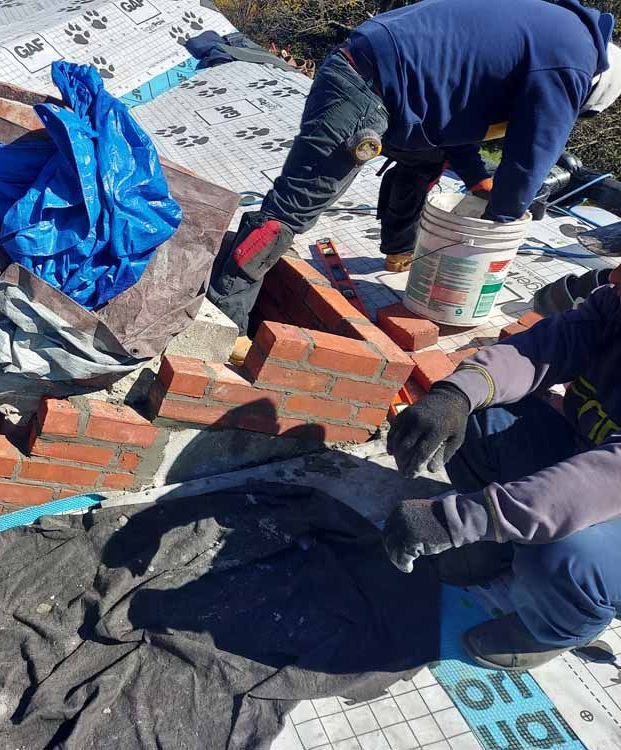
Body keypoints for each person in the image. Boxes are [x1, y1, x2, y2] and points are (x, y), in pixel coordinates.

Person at [208, 0, 621, 365]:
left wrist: (477, 179)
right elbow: (533, 153)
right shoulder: (571, 62)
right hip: (368, 87)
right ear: (591, 94)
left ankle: (399, 250)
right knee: (288, 214)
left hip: (386, 78)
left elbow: (458, 115)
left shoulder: (555, 28)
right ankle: (221, 324)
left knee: (426, 162)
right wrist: (500, 222)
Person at [383, 269, 621, 670]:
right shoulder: (616, 300)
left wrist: (466, 518)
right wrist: (456, 395)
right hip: (591, 458)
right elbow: (546, 345)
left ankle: (553, 630)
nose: (614, 275)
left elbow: (604, 481)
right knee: (479, 416)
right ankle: (498, 548)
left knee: (566, 555)